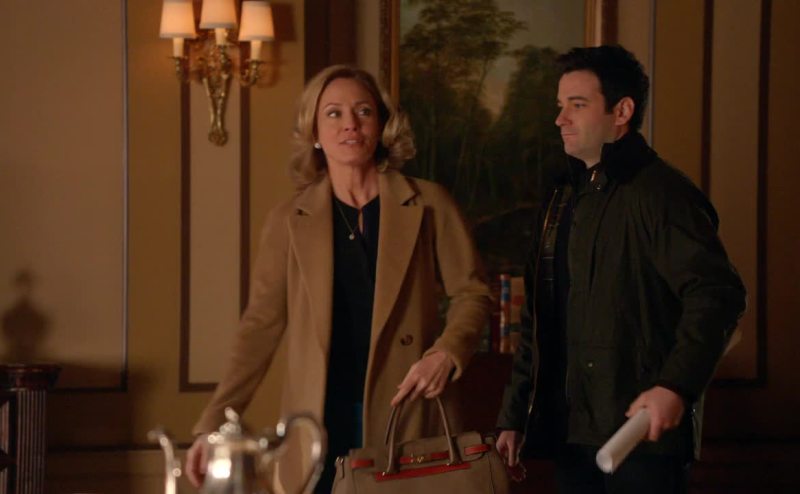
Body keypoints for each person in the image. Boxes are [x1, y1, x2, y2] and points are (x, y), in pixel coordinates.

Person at [185, 65, 492, 493]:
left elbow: (472, 293)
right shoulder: (289, 220)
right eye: (333, 113)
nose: (350, 124)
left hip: (408, 411)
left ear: (381, 125)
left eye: (363, 111)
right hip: (318, 422)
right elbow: (259, 326)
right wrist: (214, 423)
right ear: (313, 130)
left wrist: (446, 352)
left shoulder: (429, 203)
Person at [495, 45, 746, 493]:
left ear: (622, 111)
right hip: (572, 437)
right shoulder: (562, 198)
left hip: (642, 439)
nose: (560, 119)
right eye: (560, 105)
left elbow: (717, 294)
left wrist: (675, 386)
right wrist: (515, 416)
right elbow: (540, 316)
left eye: (577, 105)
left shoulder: (661, 194)